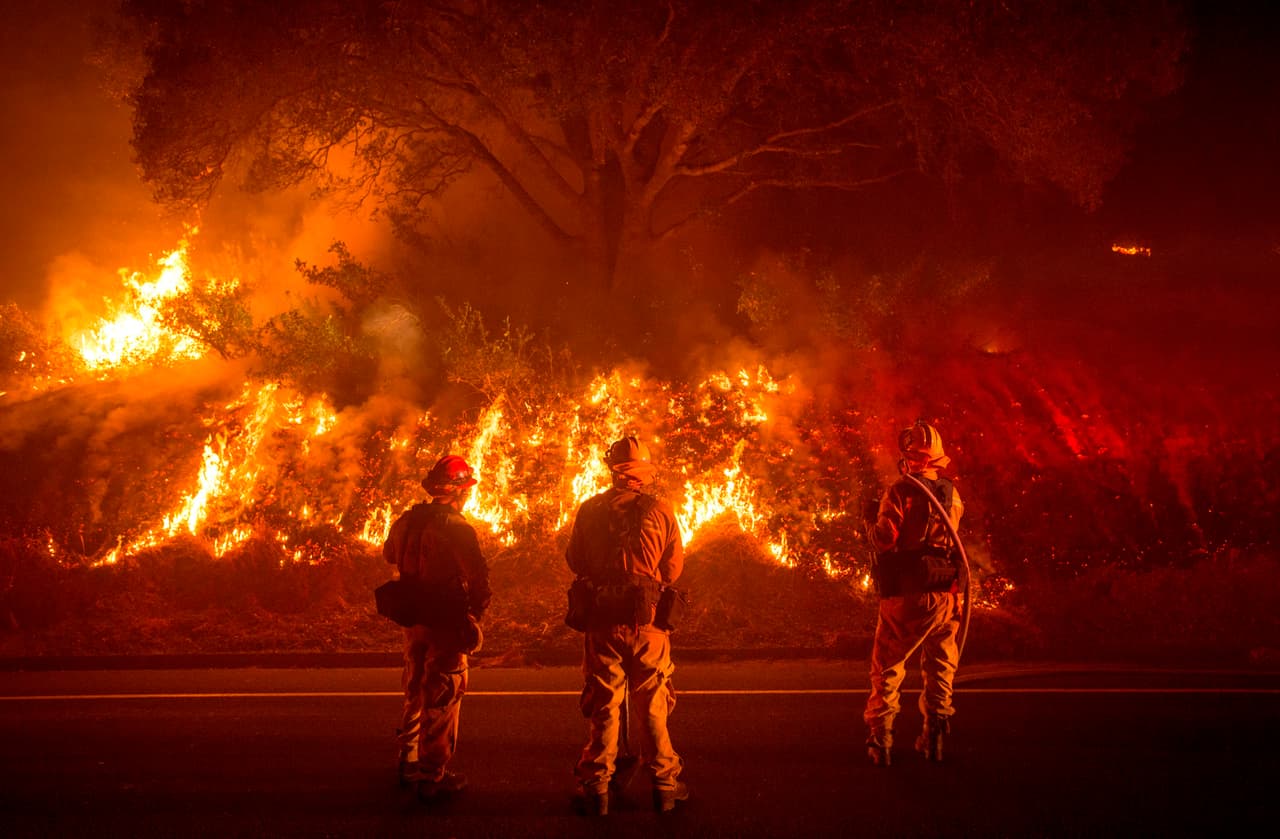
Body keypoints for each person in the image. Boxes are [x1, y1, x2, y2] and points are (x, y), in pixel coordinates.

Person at [566, 436, 687, 815]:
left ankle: (597, 788)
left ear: (613, 470)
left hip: (602, 621)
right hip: (646, 622)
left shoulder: (589, 510)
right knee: (652, 703)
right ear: (644, 474)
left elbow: (575, 560)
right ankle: (665, 786)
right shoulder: (662, 511)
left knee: (605, 704)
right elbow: (671, 570)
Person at [383, 454, 491, 802]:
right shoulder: (457, 528)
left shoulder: (406, 521)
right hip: (445, 620)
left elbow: (389, 554)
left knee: (414, 687)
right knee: (442, 694)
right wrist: (475, 615)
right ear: (459, 492)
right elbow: (478, 578)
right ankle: (432, 776)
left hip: (413, 619)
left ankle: (407, 759)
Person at [863, 421, 965, 766]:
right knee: (940, 669)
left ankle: (881, 741)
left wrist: (868, 521)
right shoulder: (952, 495)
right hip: (949, 596)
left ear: (910, 456)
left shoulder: (901, 491)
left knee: (888, 667)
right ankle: (933, 739)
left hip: (910, 596)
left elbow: (885, 540)